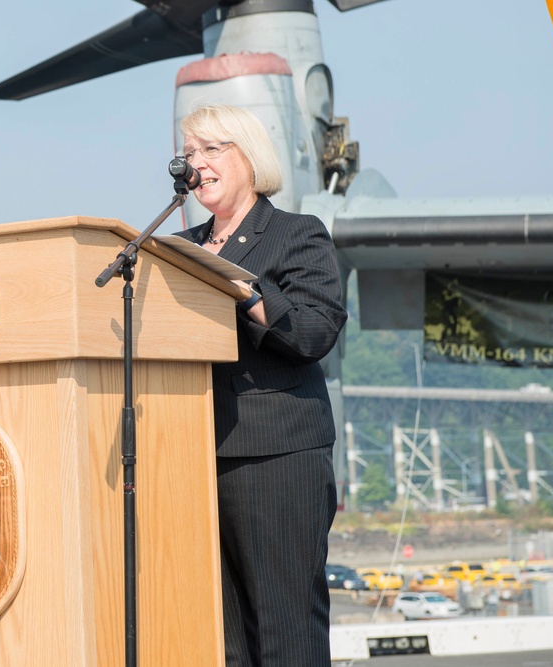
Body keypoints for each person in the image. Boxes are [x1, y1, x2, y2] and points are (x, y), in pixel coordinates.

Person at [173, 104, 347, 666]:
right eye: (190, 152)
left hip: (276, 453)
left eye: (212, 149)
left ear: (250, 156)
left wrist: (243, 291)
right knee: (221, 639)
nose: (197, 163)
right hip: (193, 455)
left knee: (284, 627)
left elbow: (315, 332)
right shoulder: (183, 247)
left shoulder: (296, 234)